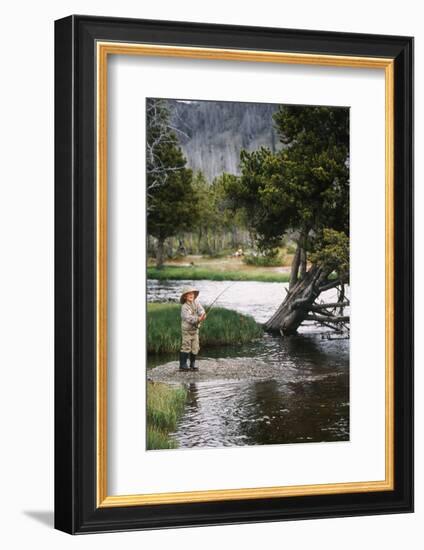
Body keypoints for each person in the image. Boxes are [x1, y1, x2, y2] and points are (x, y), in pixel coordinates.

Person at [179, 286, 206, 371]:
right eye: (189, 294)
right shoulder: (184, 307)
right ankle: (183, 364)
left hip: (195, 330)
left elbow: (201, 310)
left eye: (192, 294)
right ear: (185, 296)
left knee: (195, 347)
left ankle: (192, 363)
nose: (191, 295)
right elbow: (188, 318)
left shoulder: (196, 303)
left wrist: (202, 315)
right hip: (187, 331)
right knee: (186, 346)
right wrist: (198, 319)